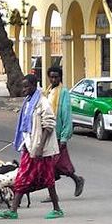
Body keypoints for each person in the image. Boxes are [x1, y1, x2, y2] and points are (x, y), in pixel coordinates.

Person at [0, 74, 63, 220]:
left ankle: (56, 209)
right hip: (29, 145)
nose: (24, 89)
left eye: (27, 86)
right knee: (23, 176)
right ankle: (14, 210)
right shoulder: (28, 101)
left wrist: (40, 147)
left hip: (41, 149)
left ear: (34, 85)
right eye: (23, 86)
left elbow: (49, 125)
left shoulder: (42, 102)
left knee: (47, 179)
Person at [43, 66, 84, 199]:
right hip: (48, 134)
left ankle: (55, 192)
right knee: (53, 165)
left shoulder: (64, 92)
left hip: (59, 134)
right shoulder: (48, 91)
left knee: (54, 164)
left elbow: (66, 115)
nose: (54, 79)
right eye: (52, 77)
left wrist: (64, 137)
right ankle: (75, 180)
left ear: (60, 77)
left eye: (56, 77)